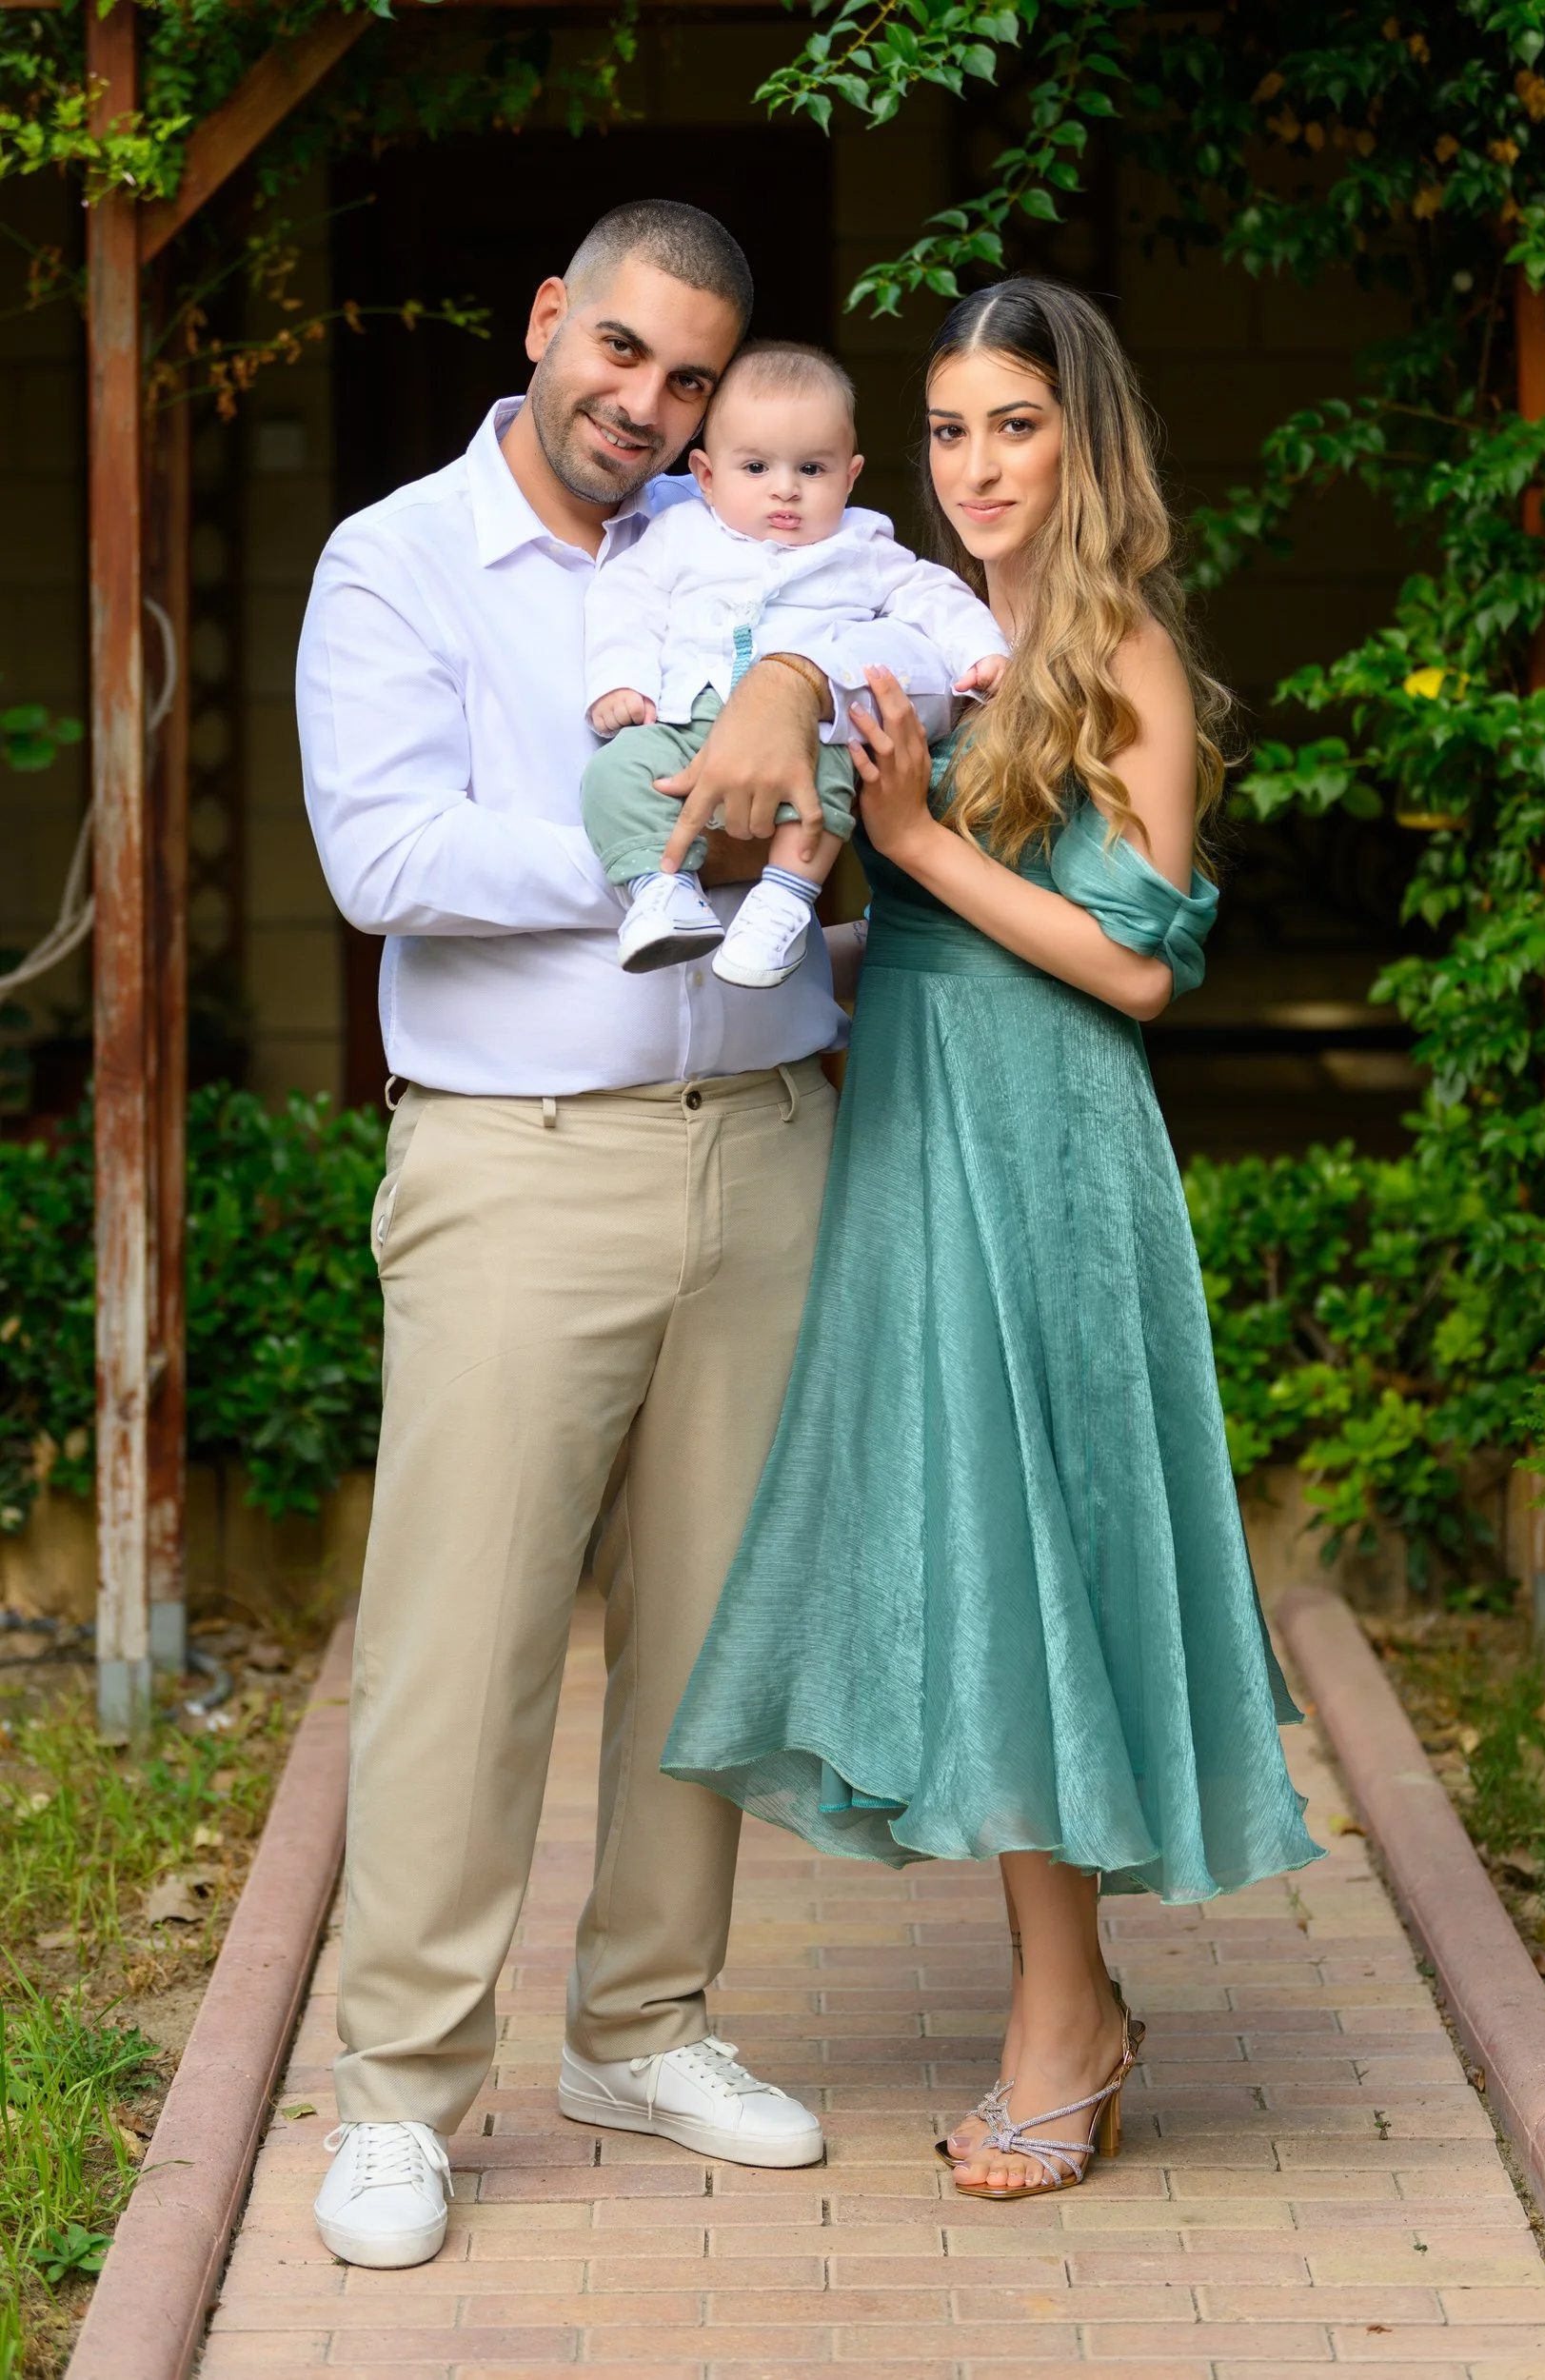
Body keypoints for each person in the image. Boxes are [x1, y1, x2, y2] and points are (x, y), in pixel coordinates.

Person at [295, 199, 959, 2271]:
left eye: (690, 378)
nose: (648, 405)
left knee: (708, 1632)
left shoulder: (761, 544)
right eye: (623, 353)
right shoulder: (398, 557)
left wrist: (824, 784)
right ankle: (400, 2092)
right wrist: (654, 838)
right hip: (518, 1161)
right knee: (461, 1642)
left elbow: (907, 724)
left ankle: (643, 2026)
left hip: (763, 1141)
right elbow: (381, 853)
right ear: (546, 323)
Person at [662, 276, 1324, 2202]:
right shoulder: (921, 622)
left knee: (1037, 1559)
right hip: (914, 1123)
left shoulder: (1118, 649)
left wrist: (917, 844)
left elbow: (1135, 965)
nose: (973, 465)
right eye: (947, 429)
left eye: (1011, 425)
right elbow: (903, 910)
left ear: (1079, 437)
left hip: (1046, 1147)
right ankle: (1072, 2003)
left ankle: (1064, 2021)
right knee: (969, 1556)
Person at [582, 339, 1006, 985]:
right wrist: (621, 680)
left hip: (806, 733)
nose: (785, 490)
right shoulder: (680, 535)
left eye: (811, 469)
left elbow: (933, 595)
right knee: (615, 772)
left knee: (833, 768)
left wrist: (982, 651)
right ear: (706, 476)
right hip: (685, 722)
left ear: (849, 476)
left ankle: (783, 900)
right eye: (755, 468)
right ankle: (661, 890)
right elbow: (625, 600)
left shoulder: (861, 545)